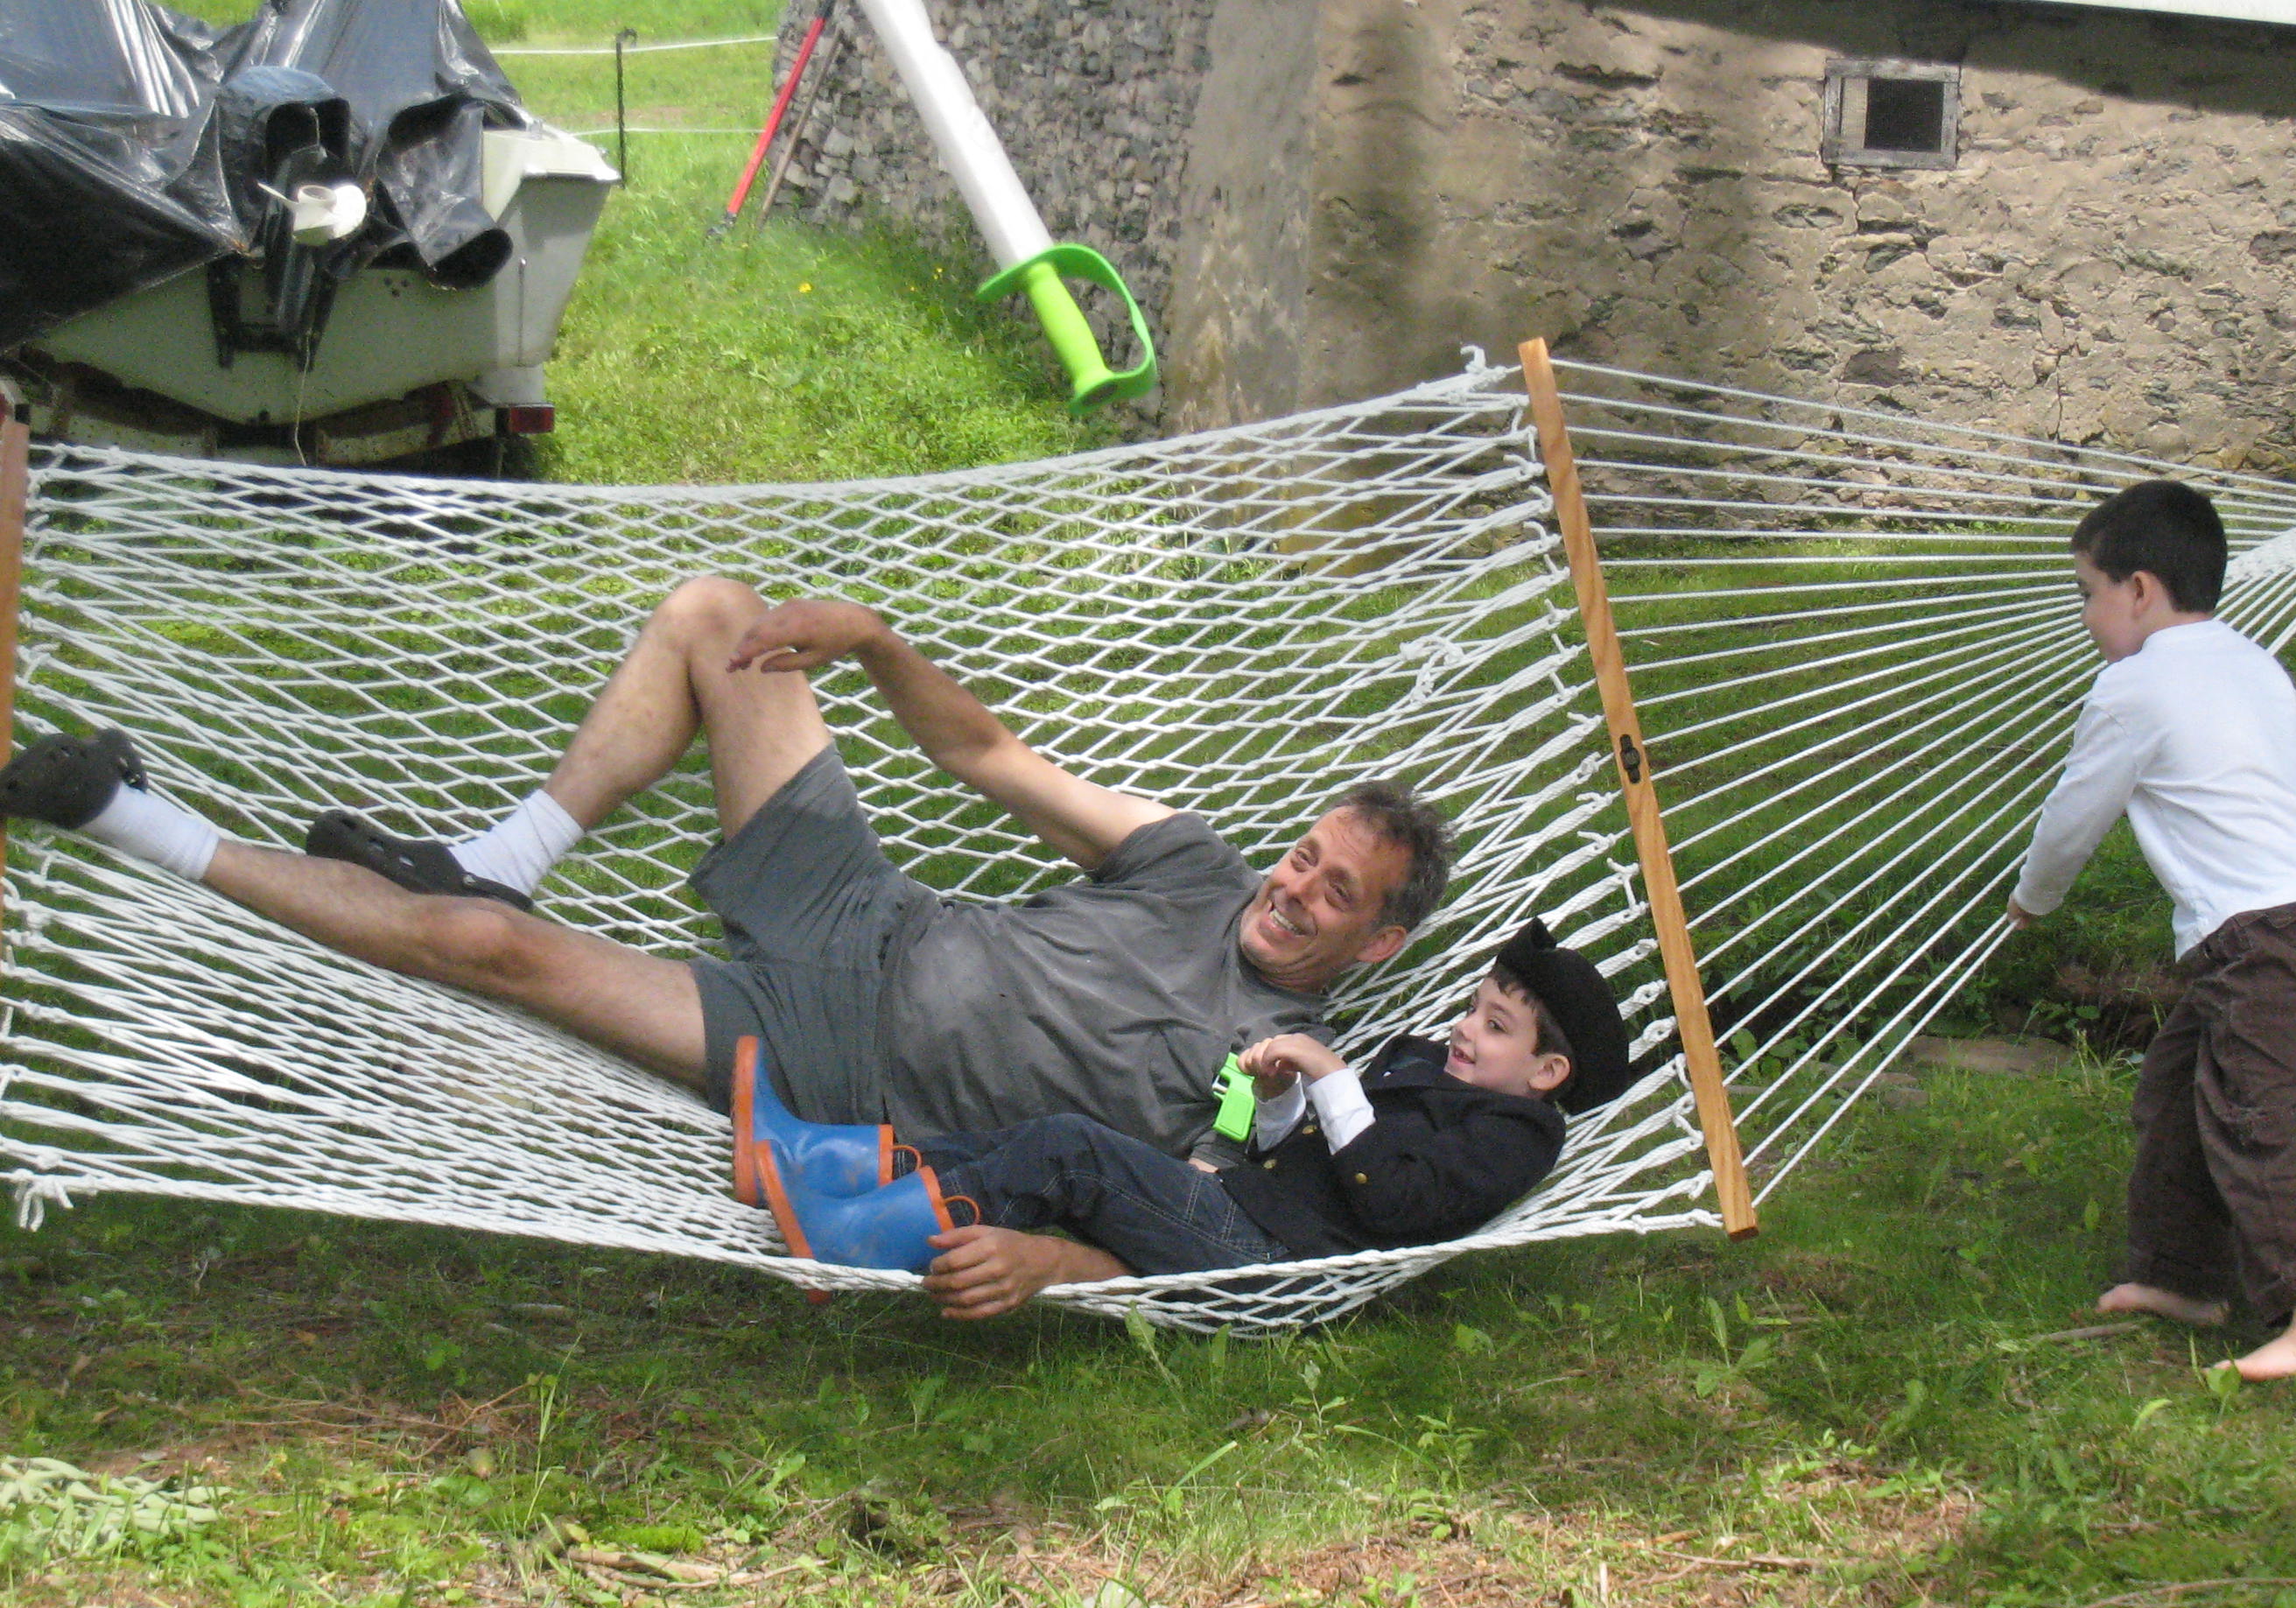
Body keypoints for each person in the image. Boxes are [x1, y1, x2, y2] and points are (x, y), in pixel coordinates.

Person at [0, 581, 1449, 1155]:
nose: (1293, 890)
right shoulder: (1192, 863)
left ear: (1377, 941)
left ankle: (122, 814)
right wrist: (873, 644)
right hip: (872, 913)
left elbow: (1232, 1174)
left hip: (827, 1058)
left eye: (1334, 894)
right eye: (1303, 855)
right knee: (715, 616)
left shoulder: (1279, 1057)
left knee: (487, 955)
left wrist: (1284, 1094)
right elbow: (989, 752)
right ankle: (507, 850)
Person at [743, 918, 1632, 1318]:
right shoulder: (1429, 1067)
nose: (1464, 1029)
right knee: (1046, 1138)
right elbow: (1313, 1158)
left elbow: (1390, 1202)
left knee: (1072, 1152)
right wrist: (1284, 1101)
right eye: (1474, 1009)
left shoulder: (1516, 1138)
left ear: (1548, 1073)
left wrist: (1333, 1075)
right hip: (1251, 1217)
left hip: (1280, 1271)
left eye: (1495, 1027)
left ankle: (855, 1240)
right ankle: (827, 1162)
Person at [2005, 480, 2296, 1381]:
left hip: (2258, 930)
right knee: (2175, 1093)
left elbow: (2074, 814)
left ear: (2139, 590)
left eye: (2087, 592)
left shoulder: (2134, 686)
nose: (2084, 615)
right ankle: (2183, 1278)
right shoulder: (2254, 662)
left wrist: (2033, 899)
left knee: (2259, 1112)